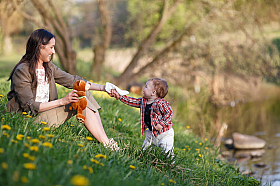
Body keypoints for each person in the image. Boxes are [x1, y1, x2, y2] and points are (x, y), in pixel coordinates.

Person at [5, 29, 119, 151]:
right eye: (51, 47)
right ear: (40, 47)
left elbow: (73, 81)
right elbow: (29, 106)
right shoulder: (22, 70)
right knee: (77, 100)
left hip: (46, 115)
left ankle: (106, 142)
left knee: (83, 93)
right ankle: (107, 145)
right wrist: (62, 101)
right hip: (28, 120)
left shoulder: (48, 67)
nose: (53, 52)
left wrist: (104, 88)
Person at [112, 78, 174, 157]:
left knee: (167, 152)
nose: (143, 89)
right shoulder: (143, 101)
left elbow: (169, 113)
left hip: (164, 134)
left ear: (153, 92)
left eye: (146, 87)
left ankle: (169, 164)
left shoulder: (160, 103)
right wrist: (120, 96)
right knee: (145, 150)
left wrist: (161, 124)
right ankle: (142, 157)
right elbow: (131, 101)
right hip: (151, 133)